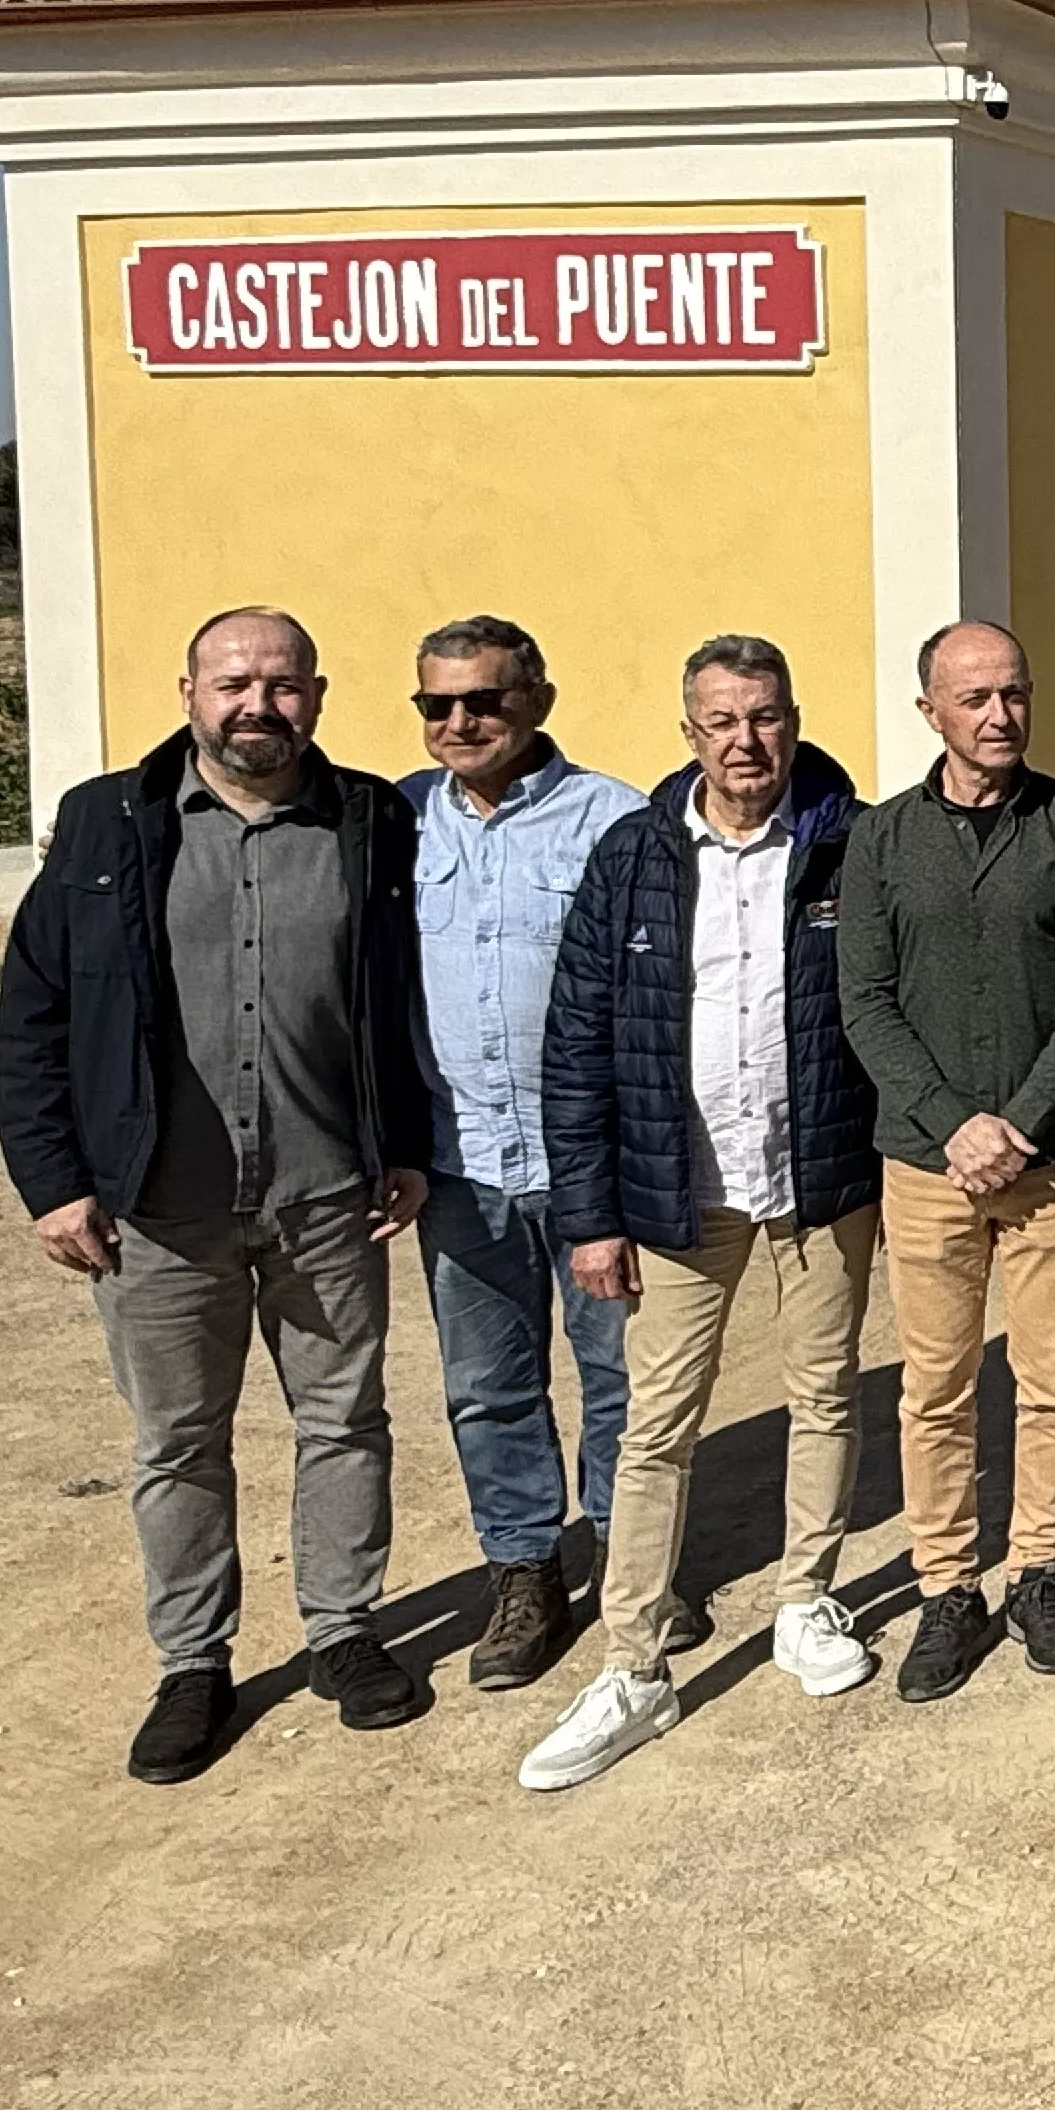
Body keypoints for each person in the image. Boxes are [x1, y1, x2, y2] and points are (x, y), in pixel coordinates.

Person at [0, 607, 434, 1784]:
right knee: (179, 1442)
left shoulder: (368, 817)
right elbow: (35, 1011)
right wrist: (52, 1183)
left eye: (282, 685)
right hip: (158, 1206)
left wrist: (408, 1139)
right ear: (187, 689)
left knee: (344, 1422)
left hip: (326, 1193)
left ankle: (343, 1632)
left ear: (320, 695)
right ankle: (194, 1663)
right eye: (234, 682)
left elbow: (398, 994)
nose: (259, 705)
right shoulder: (106, 822)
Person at [518, 638, 886, 1790]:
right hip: (678, 1190)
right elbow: (575, 1048)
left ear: (793, 717)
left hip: (818, 1174)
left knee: (824, 1392)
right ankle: (633, 1665)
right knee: (654, 1424)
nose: (746, 741)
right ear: (689, 733)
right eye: (721, 721)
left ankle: (807, 1601)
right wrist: (591, 1215)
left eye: (765, 717)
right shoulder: (630, 858)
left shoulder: (850, 843)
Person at [837, 620, 1055, 1701]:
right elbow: (863, 999)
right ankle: (948, 1587)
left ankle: (1041, 1569)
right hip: (924, 1165)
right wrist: (951, 1121)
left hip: (1050, 1159)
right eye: (974, 699)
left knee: (1051, 1376)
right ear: (931, 712)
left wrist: (1020, 1117)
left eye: (1014, 693)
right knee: (936, 1388)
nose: (999, 716)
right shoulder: (881, 839)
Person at [398, 614, 643, 1691]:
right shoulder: (396, 822)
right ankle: (525, 1570)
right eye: (437, 706)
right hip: (459, 1164)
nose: (461, 723)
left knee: (622, 1379)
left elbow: (654, 1001)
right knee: (487, 1386)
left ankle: (636, 1566)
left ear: (537, 700)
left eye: (484, 701)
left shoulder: (614, 821)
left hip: (597, 1164)